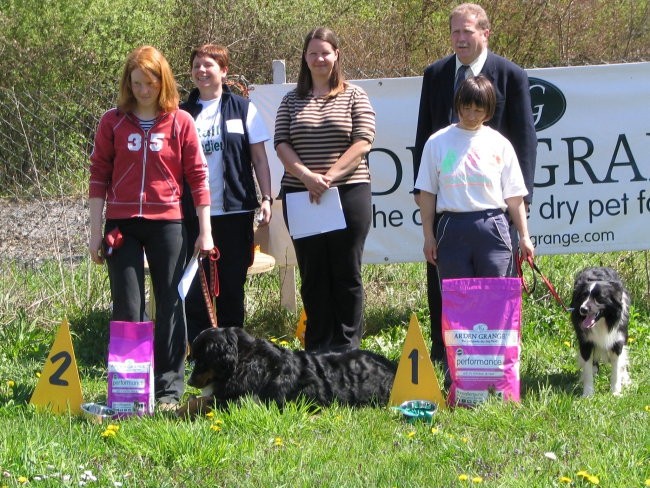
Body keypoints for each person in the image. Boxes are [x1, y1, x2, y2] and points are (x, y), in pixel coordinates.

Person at [88, 45, 213, 410]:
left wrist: (205, 231)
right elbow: (98, 177)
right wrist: (95, 231)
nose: (143, 89)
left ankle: (170, 390)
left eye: (150, 82)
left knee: (172, 304)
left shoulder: (180, 122)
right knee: (127, 305)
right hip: (121, 225)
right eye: (137, 82)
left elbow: (198, 177)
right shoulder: (111, 121)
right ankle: (131, 391)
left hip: (168, 223)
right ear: (128, 82)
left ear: (163, 81)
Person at [413, 3, 537, 365]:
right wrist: (426, 205)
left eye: (467, 31)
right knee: (449, 290)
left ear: (485, 33)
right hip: (448, 210)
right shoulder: (435, 74)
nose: (460, 38)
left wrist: (520, 212)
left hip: (494, 212)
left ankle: (498, 364)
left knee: (495, 291)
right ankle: (449, 358)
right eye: (454, 31)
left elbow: (525, 143)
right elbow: (424, 139)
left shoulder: (510, 75)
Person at [274, 27, 376, 353]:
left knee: (346, 272)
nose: (319, 58)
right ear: (305, 58)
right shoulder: (291, 100)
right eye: (313, 53)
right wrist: (306, 177)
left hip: (348, 192)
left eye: (325, 52)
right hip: (300, 195)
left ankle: (347, 348)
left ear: (336, 55)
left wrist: (328, 177)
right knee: (314, 274)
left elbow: (363, 141)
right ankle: (316, 349)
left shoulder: (355, 95)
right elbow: (281, 144)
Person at [180, 43, 272, 343]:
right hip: (192, 215)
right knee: (197, 286)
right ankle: (201, 350)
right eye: (197, 66)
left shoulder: (243, 108)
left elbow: (259, 158)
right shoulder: (181, 113)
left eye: (209, 65)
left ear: (224, 71)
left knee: (231, 285)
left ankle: (234, 349)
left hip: (234, 212)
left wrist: (267, 198)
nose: (202, 71)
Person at [415, 75, 534, 282]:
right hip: (451, 228)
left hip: (493, 228)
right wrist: (428, 236)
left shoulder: (499, 143)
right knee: (459, 304)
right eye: (466, 107)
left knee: (497, 300)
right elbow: (427, 193)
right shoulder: (438, 142)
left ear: (488, 111)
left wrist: (524, 236)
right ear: (457, 104)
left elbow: (514, 197)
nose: (471, 115)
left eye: (478, 110)